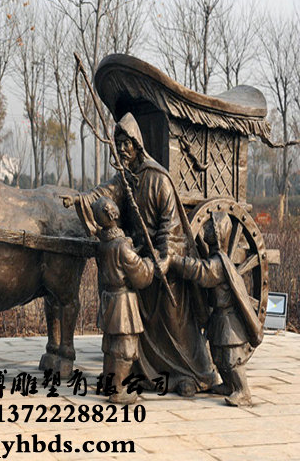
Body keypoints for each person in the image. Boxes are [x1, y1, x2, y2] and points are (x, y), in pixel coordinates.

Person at [61, 112, 216, 396]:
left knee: (173, 322)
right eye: (118, 143)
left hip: (163, 258)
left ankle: (191, 373)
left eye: (126, 143)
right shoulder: (125, 178)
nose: (122, 149)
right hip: (139, 259)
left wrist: (164, 258)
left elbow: (170, 225)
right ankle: (141, 373)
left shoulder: (159, 179)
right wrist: (79, 199)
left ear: (137, 144)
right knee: (138, 324)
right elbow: (103, 193)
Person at [170, 213, 263, 406]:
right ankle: (228, 385)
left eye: (211, 227)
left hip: (228, 319)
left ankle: (243, 391)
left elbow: (202, 271)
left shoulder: (219, 263)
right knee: (218, 355)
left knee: (231, 356)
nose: (206, 230)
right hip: (219, 316)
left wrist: (175, 261)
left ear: (219, 233)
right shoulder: (216, 258)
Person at [91, 197, 154, 404]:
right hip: (123, 301)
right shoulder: (121, 246)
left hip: (109, 298)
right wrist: (151, 263)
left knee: (110, 344)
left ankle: (108, 384)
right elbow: (141, 275)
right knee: (125, 347)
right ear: (113, 214)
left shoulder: (105, 243)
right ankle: (119, 390)